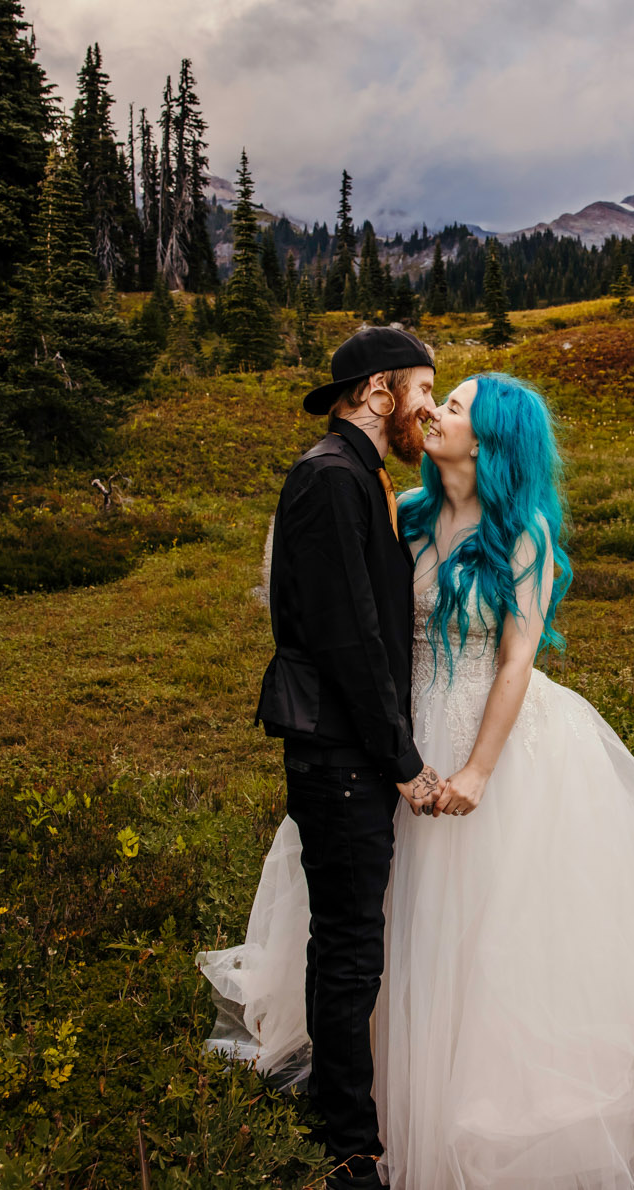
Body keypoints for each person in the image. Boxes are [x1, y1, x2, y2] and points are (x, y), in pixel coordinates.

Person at [208, 368, 634, 1188]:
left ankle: (474, 1099)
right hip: (402, 737)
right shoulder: (406, 514)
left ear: (491, 438)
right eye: (437, 398)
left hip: (494, 741)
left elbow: (518, 660)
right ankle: (370, 1091)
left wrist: (480, 769)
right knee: (384, 916)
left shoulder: (522, 533)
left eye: (452, 405)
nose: (434, 412)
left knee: (488, 928)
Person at [234, 326, 444, 1190]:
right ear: (381, 390)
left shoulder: (361, 476)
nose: (429, 407)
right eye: (424, 389)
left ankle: (342, 1114)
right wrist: (403, 759)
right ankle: (348, 1143)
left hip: (352, 747)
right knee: (350, 943)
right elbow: (349, 638)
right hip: (340, 752)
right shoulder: (327, 477)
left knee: (352, 936)